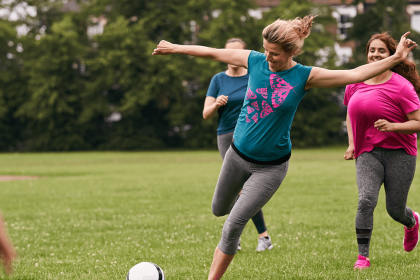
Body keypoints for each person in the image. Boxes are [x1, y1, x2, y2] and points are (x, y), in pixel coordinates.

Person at [153, 15, 417, 279]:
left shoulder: (304, 76)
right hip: (236, 156)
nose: (268, 57)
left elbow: (355, 74)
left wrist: (395, 58)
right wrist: (174, 47)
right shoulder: (255, 60)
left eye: (275, 54)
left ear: (291, 51)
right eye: (266, 50)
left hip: (270, 168)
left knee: (232, 226)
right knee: (219, 210)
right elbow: (212, 53)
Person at [343, 32, 420, 270]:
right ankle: (362, 257)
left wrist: (393, 126)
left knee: (395, 210)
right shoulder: (355, 81)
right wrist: (352, 143)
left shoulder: (402, 86)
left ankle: (412, 222)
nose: (375, 54)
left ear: (391, 55)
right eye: (372, 50)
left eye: (381, 51)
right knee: (366, 200)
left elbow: (417, 122)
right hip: (368, 151)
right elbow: (350, 114)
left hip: (400, 152)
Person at [204, 38, 273, 252]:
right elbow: (206, 114)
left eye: (238, 53)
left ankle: (261, 236)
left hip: (250, 135)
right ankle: (249, 237)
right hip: (226, 137)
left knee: (248, 188)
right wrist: (216, 103)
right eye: (229, 52)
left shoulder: (254, 77)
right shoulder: (217, 80)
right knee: (239, 188)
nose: (233, 57)